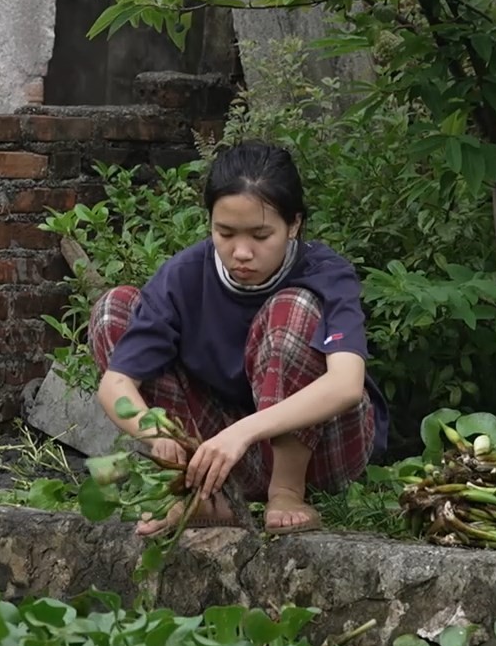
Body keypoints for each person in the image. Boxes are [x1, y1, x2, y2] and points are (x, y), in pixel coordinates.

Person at [91, 140, 389, 536]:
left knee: (293, 307)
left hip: (325, 448)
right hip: (224, 452)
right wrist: (156, 432)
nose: (241, 252)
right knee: (116, 309)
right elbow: (116, 383)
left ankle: (286, 491)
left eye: (261, 235)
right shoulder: (185, 275)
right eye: (225, 233)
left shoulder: (325, 273)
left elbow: (346, 385)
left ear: (294, 224)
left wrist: (242, 433)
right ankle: (202, 492)